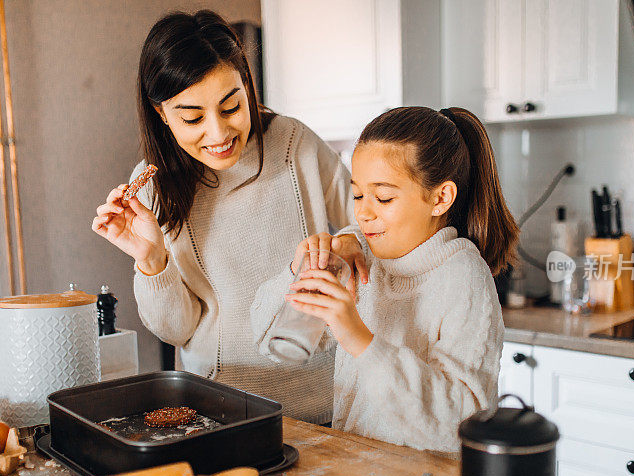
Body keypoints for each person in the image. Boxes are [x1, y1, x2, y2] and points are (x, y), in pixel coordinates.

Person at [91, 10, 366, 425]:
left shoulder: (295, 145)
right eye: (193, 118)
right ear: (161, 113)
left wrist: (350, 240)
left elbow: (371, 226)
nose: (218, 134)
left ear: (246, 84)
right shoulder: (150, 186)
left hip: (329, 397)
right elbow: (177, 331)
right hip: (220, 407)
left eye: (231, 106)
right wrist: (152, 260)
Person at [251, 106, 520, 451]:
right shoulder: (360, 255)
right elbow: (266, 340)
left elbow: (460, 424)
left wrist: (359, 339)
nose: (363, 212)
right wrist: (299, 270)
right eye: (359, 194)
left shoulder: (464, 278)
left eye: (383, 197)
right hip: (357, 472)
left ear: (440, 198)